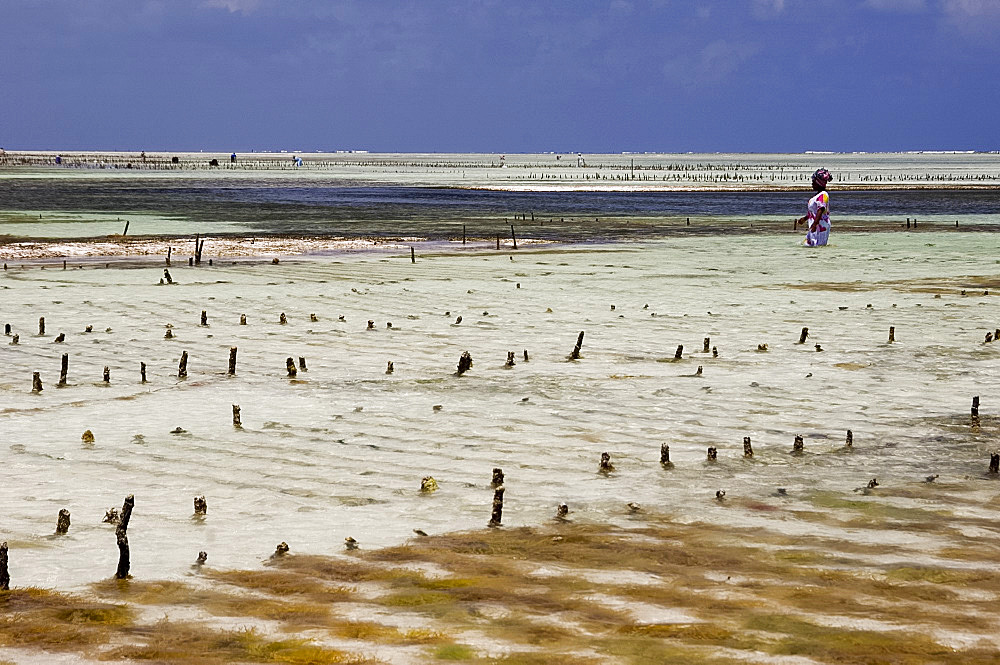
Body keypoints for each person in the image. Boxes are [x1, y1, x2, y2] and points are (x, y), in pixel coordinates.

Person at [796, 168, 832, 246]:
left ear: (818, 183)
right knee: (807, 244)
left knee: (818, 246)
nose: (812, 184)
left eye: (813, 182)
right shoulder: (816, 196)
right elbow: (813, 212)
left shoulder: (823, 195)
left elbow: (821, 209)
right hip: (814, 225)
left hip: (821, 226)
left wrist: (815, 224)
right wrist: (805, 219)